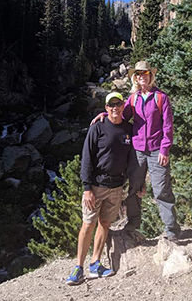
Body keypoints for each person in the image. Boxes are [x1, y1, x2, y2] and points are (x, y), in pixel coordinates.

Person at [91, 60, 181, 241]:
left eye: (145, 74)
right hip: (137, 150)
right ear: (134, 78)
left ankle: (171, 230)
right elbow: (122, 117)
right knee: (134, 189)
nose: (141, 77)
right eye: (138, 74)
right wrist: (106, 115)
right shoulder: (133, 98)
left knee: (161, 189)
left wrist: (165, 149)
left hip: (157, 150)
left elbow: (168, 126)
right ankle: (133, 223)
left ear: (150, 76)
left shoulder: (161, 97)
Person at [67, 92, 132, 285]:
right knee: (88, 224)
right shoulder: (97, 128)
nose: (115, 108)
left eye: (118, 104)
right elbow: (87, 158)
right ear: (106, 108)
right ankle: (78, 267)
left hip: (117, 186)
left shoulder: (128, 128)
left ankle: (95, 263)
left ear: (123, 106)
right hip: (96, 186)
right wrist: (87, 188)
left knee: (105, 223)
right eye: (111, 105)